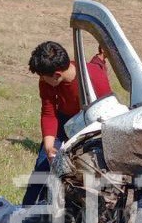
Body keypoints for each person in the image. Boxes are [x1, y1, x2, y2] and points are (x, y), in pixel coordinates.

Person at [23, 41, 112, 205]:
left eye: (43, 76)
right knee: (43, 166)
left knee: (80, 171)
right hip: (65, 120)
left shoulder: (95, 79)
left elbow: (107, 117)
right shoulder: (47, 81)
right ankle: (26, 210)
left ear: (57, 75)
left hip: (91, 124)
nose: (41, 79)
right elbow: (49, 112)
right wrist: (49, 147)